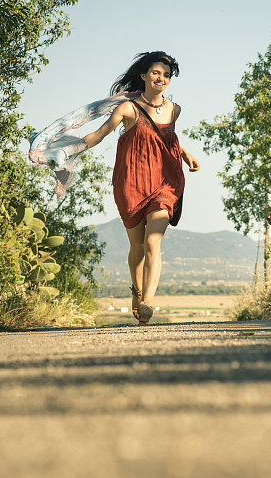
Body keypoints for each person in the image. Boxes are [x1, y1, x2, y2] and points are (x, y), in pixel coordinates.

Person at [83, 51, 200, 325]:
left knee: (152, 241)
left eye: (167, 75)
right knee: (136, 247)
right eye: (157, 73)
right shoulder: (127, 108)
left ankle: (147, 301)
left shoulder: (174, 109)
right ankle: (136, 292)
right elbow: (99, 135)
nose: (162, 78)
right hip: (132, 182)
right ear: (144, 75)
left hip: (165, 182)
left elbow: (166, 139)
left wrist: (185, 154)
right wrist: (73, 148)